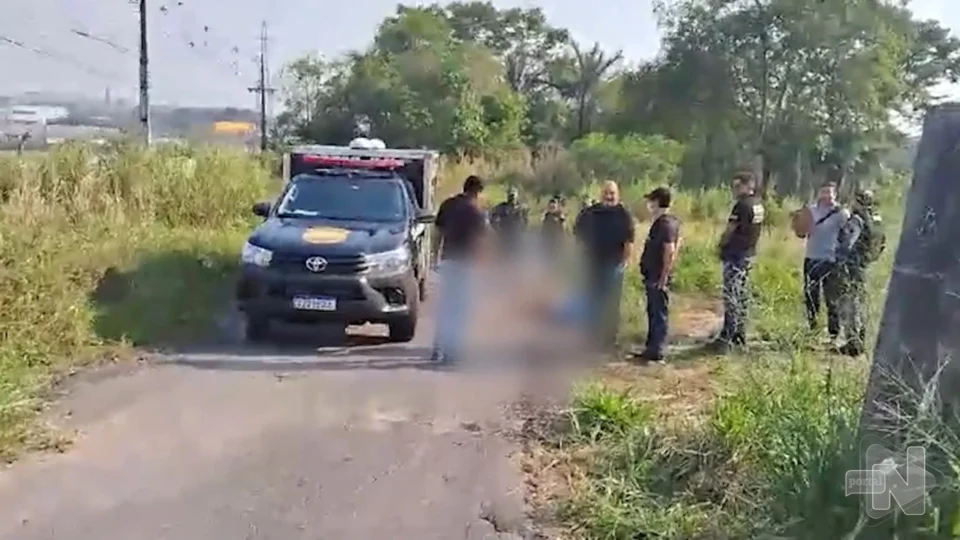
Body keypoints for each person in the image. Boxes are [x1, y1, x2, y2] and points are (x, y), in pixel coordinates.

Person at [431, 175, 488, 364]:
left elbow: (437, 233)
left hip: (447, 261)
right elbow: (484, 239)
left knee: (445, 307)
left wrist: (434, 257)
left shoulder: (447, 204)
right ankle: (451, 352)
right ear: (478, 192)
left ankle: (438, 348)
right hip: (465, 263)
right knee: (459, 310)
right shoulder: (476, 211)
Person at [573, 181, 635, 353]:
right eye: (606, 193)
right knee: (592, 302)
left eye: (612, 193)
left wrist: (624, 262)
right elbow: (577, 233)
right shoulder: (590, 213)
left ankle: (609, 340)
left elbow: (629, 241)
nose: (609, 196)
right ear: (601, 194)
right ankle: (590, 336)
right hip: (592, 263)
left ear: (618, 195)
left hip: (613, 265)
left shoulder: (624, 215)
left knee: (612, 303)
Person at [710, 171, 764, 351]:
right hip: (748, 253)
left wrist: (720, 245)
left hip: (735, 254)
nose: (735, 189)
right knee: (741, 295)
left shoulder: (741, 206)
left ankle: (728, 335)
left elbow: (730, 229)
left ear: (748, 185)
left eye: (738, 185)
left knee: (731, 295)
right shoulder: (758, 204)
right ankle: (740, 333)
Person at [835, 189, 886, 357]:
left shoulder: (857, 220)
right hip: (865, 265)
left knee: (850, 304)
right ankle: (860, 341)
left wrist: (839, 259)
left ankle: (853, 344)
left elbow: (847, 243)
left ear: (857, 201)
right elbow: (881, 243)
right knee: (861, 303)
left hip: (852, 267)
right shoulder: (876, 218)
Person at [800, 180, 850, 341]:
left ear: (835, 194)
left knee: (832, 298)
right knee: (811, 295)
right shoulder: (810, 211)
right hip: (812, 258)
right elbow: (801, 232)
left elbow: (848, 236)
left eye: (830, 192)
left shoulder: (842, 214)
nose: (827, 195)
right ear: (819, 193)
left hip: (831, 260)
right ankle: (812, 327)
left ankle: (834, 333)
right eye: (824, 192)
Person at [636, 187, 681, 362]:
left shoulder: (665, 224)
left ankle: (657, 351)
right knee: (653, 312)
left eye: (651, 201)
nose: (649, 205)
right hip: (654, 275)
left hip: (657, 276)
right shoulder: (669, 222)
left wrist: (663, 277)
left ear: (656, 202)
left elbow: (669, 250)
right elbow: (678, 245)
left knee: (658, 313)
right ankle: (651, 348)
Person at [489, 187, 528, 258]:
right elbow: (492, 219)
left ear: (516, 196)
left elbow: (526, 220)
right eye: (510, 196)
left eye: (513, 196)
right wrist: (498, 231)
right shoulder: (502, 207)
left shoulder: (521, 208)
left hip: (517, 237)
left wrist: (522, 230)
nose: (512, 198)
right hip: (504, 237)